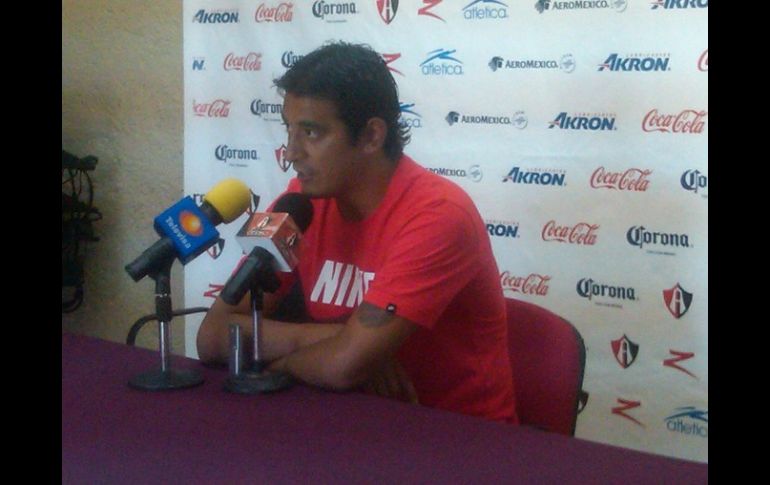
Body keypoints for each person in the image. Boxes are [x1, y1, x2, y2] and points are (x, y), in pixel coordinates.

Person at [197, 41, 517, 423]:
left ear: (370, 136)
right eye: (289, 129)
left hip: (454, 436)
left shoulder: (438, 215)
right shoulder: (297, 202)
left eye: (312, 133)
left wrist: (286, 365)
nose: (291, 151)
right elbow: (213, 335)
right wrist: (324, 341)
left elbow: (342, 367)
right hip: (347, 418)